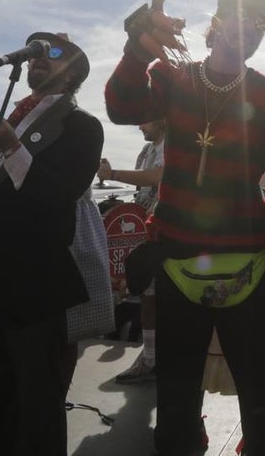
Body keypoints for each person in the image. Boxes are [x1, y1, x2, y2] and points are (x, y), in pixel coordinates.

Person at [105, 0, 265, 456]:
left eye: (259, 26)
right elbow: (121, 106)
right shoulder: (175, 80)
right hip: (175, 260)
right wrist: (138, 46)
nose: (249, 32)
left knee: (262, 391)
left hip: (249, 263)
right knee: (175, 392)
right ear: (214, 26)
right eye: (239, 20)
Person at [0, 31, 103, 455]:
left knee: (37, 406)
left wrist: (8, 146)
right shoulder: (14, 118)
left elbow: (56, 195)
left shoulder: (81, 126)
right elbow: (3, 198)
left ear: (73, 73)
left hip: (36, 285)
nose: (40, 57)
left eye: (54, 52)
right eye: (35, 50)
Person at [97, 120, 165, 385]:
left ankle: (162, 358)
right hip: (149, 229)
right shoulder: (146, 152)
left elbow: (160, 176)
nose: (140, 125)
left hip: (169, 229)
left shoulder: (174, 143)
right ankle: (150, 358)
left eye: (145, 119)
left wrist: (112, 173)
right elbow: (144, 190)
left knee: (164, 298)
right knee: (148, 297)